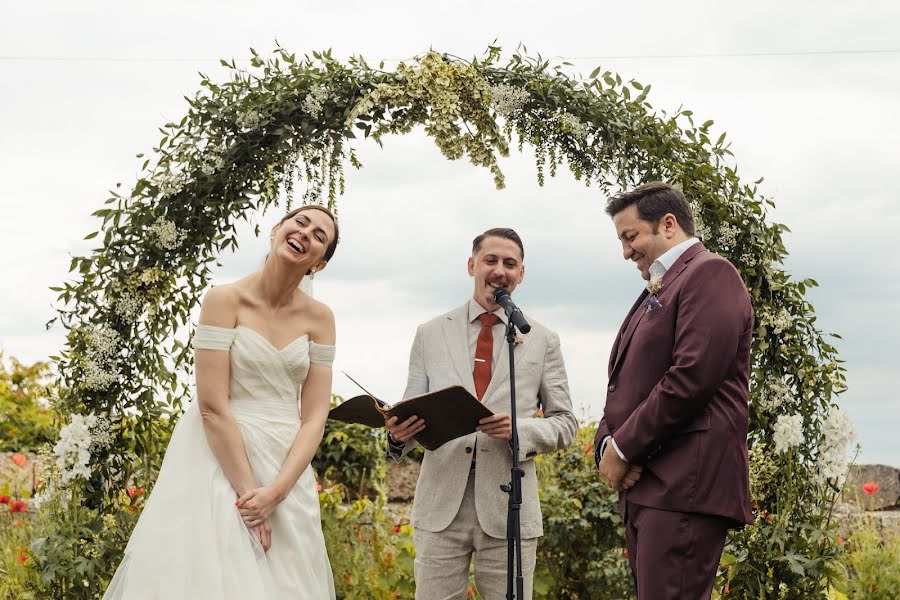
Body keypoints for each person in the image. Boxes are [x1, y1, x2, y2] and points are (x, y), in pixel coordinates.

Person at [104, 205, 339, 600]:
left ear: (320, 263)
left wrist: (277, 493)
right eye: (301, 222)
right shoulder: (223, 300)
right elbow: (212, 407)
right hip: (220, 459)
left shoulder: (321, 318)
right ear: (277, 229)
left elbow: (315, 416)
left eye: (320, 236)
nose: (306, 233)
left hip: (285, 465)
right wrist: (252, 501)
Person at [386, 227, 577, 600]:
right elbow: (410, 407)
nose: (499, 270)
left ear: (521, 273)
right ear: (472, 265)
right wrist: (398, 435)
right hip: (440, 506)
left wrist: (518, 429)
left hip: (510, 508)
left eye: (510, 263)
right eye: (491, 260)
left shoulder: (541, 339)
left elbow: (566, 423)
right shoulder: (429, 334)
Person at [595, 182, 754, 599]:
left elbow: (691, 378)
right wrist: (604, 445)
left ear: (668, 225)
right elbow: (627, 383)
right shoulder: (661, 287)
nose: (625, 252)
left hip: (685, 487)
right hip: (653, 489)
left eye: (630, 237)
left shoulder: (711, 274)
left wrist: (623, 448)